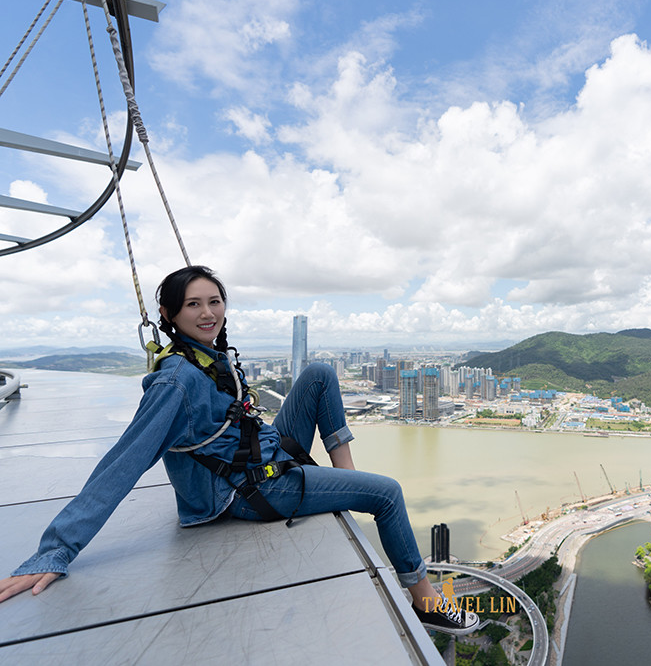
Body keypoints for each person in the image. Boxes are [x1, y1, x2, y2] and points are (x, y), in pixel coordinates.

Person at [0, 265, 478, 636]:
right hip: (243, 491)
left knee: (318, 373)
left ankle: (349, 480)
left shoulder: (207, 357)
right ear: (168, 315)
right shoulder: (176, 380)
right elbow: (122, 465)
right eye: (193, 305)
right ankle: (426, 601)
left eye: (214, 301)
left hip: (258, 456)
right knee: (388, 494)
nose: (207, 313)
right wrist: (56, 550)